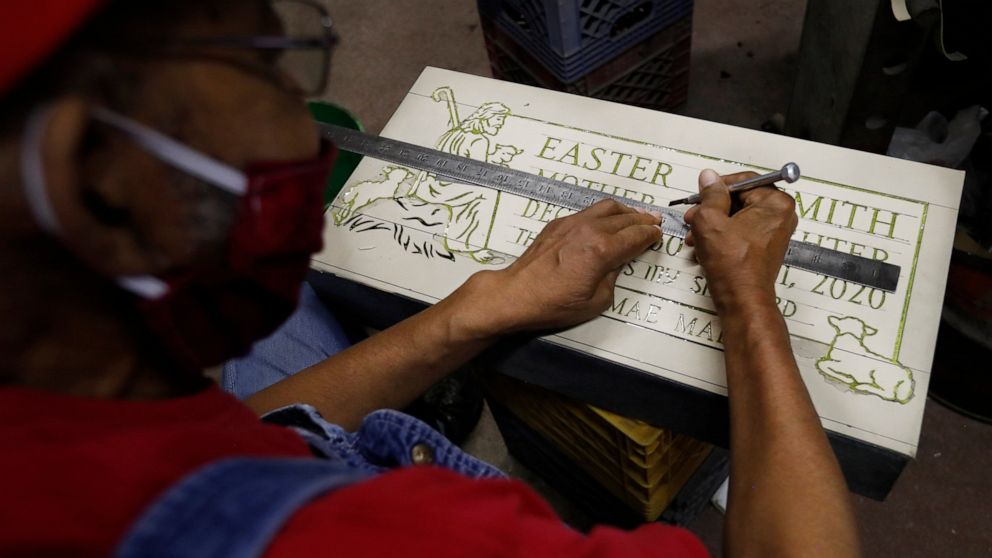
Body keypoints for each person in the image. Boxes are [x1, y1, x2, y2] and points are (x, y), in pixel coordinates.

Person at [0, 1, 861, 557]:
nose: (318, 132)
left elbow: (243, 434)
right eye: (265, 61)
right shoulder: (390, 539)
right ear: (96, 181)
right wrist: (748, 297)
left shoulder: (53, 418)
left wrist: (476, 312)